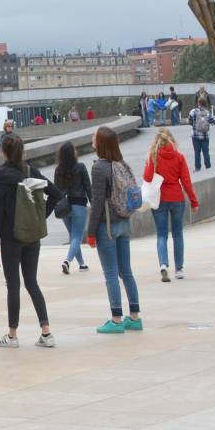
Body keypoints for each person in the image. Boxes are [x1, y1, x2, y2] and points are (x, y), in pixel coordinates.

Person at [0, 135, 61, 348]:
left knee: (13, 285)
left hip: (10, 238)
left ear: (4, 152)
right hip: (32, 236)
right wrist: (39, 219)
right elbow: (56, 194)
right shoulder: (31, 172)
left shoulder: (1, 177)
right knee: (31, 282)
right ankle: (46, 332)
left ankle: (12, 335)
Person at [88, 126, 142, 333]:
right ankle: (135, 317)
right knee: (126, 271)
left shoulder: (99, 168)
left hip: (107, 227)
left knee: (110, 273)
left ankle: (116, 319)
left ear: (100, 143)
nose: (92, 139)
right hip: (124, 223)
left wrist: (91, 232)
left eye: (94, 137)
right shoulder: (122, 164)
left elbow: (98, 203)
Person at [144, 126, 201, 281]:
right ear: (171, 141)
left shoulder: (153, 157)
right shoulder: (179, 157)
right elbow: (186, 181)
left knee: (162, 234)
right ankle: (179, 269)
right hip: (177, 199)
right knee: (177, 234)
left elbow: (147, 178)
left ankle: (163, 264)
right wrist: (194, 201)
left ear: (156, 141)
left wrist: (150, 161)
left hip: (160, 200)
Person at [53, 141, 90, 274]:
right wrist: (95, 204)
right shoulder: (80, 167)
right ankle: (67, 260)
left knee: (73, 236)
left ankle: (82, 264)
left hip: (64, 208)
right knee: (77, 237)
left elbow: (56, 190)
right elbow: (88, 187)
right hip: (79, 205)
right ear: (72, 153)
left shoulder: (58, 170)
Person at [188, 97, 215, 171]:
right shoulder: (208, 112)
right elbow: (214, 122)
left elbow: (189, 122)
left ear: (198, 103)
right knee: (206, 152)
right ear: (205, 104)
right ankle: (208, 167)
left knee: (197, 152)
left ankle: (197, 168)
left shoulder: (193, 111)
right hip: (205, 136)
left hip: (195, 136)